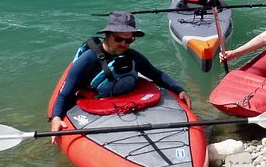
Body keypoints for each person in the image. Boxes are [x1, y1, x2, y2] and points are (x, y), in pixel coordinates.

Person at [49, 12, 191, 131]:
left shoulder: (133, 56)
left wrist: (178, 89)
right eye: (119, 39)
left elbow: (155, 74)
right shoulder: (88, 60)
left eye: (129, 40)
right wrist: (56, 117)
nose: (124, 44)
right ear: (108, 35)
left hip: (125, 103)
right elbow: (65, 95)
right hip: (96, 103)